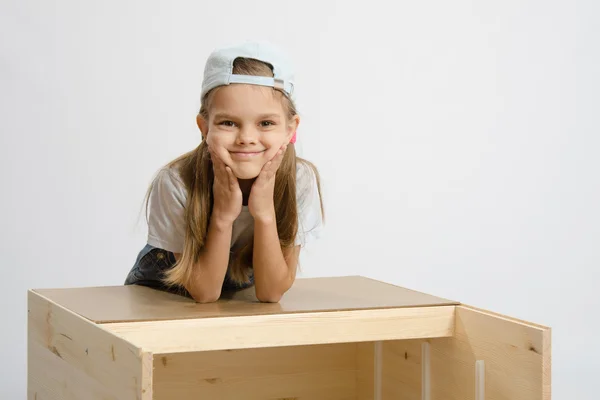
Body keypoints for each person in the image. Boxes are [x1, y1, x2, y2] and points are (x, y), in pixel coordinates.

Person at [124, 41, 324, 303]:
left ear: (290, 128)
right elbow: (205, 293)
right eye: (228, 123)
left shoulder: (300, 179)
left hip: (235, 295)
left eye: (266, 123)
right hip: (164, 292)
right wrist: (222, 214)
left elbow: (271, 292)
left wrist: (264, 213)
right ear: (204, 126)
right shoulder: (175, 182)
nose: (247, 138)